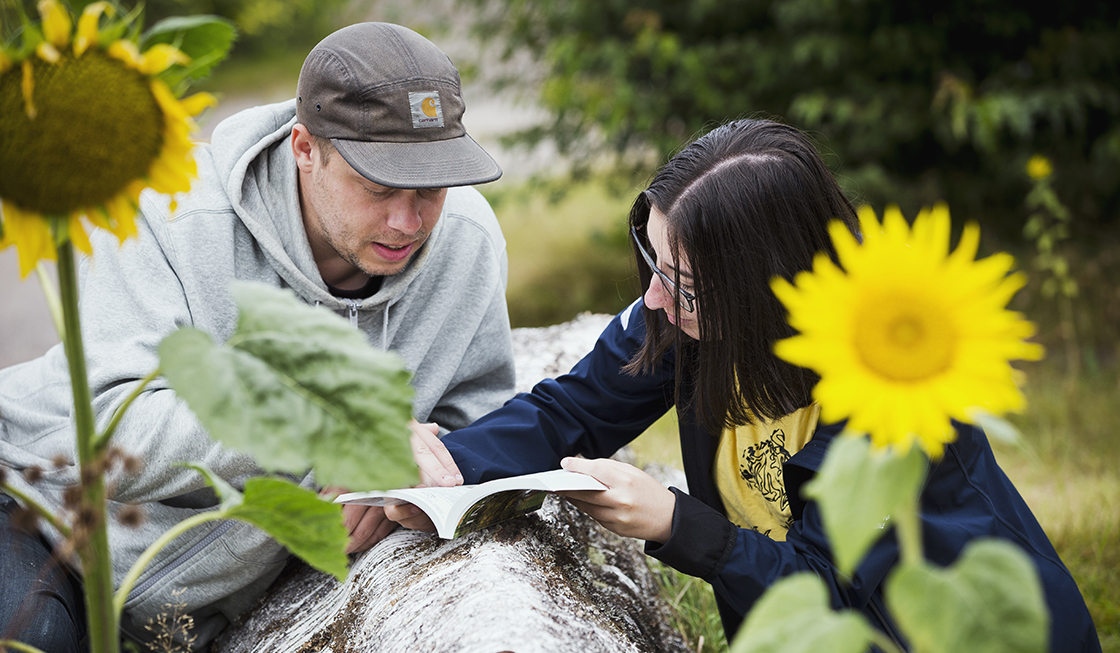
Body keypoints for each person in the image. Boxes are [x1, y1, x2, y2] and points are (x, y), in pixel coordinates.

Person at [389, 119, 1102, 652]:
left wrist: (676, 523)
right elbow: (571, 408)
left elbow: (841, 599)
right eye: (654, 263)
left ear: (769, 292)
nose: (657, 302)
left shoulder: (889, 396)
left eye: (685, 284)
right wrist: (440, 472)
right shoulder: (686, 320)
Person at [0, 22, 515, 651]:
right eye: (379, 188)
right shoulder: (161, 211)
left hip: (193, 612)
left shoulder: (467, 240)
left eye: (430, 190)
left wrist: (399, 487)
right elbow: (110, 435)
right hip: (41, 519)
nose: (408, 222)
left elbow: (481, 418)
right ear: (304, 147)